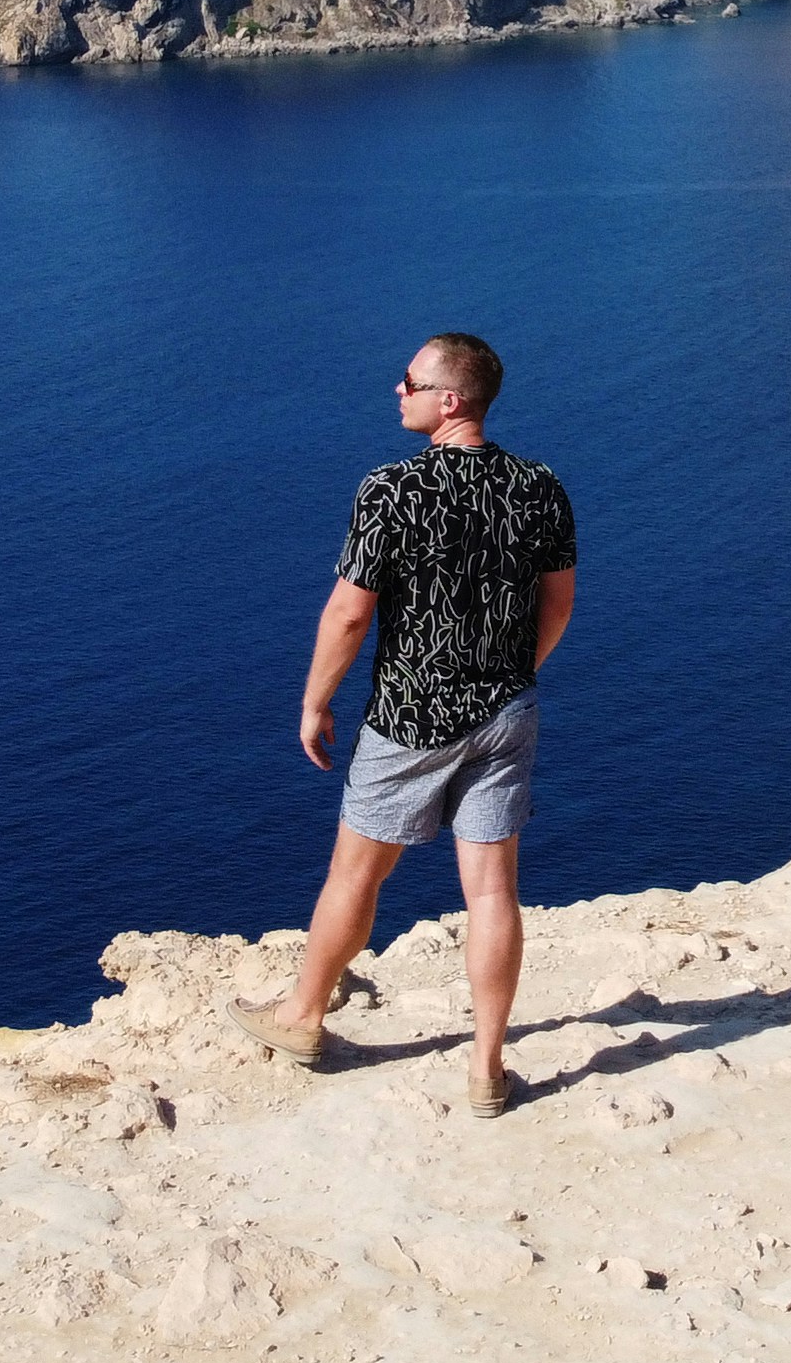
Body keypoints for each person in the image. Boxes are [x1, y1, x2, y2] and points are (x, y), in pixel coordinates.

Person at [234, 331, 577, 1116]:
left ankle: (301, 1017)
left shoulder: (391, 489)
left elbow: (351, 614)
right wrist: (513, 677)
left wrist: (314, 702)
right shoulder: (540, 486)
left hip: (410, 716)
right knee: (492, 890)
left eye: (409, 381)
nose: (398, 391)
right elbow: (556, 605)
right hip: (507, 710)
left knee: (357, 874)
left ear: (448, 399)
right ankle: (488, 1070)